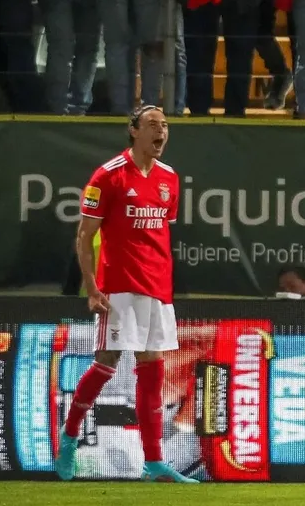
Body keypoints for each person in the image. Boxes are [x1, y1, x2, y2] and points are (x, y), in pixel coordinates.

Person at [55, 104, 195, 484]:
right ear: (133, 131)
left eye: (164, 125)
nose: (160, 131)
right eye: (152, 124)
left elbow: (159, 232)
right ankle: (69, 436)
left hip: (157, 288)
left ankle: (154, 462)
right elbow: (84, 236)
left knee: (152, 371)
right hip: (119, 286)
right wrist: (91, 287)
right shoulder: (108, 175)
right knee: (107, 362)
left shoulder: (169, 178)